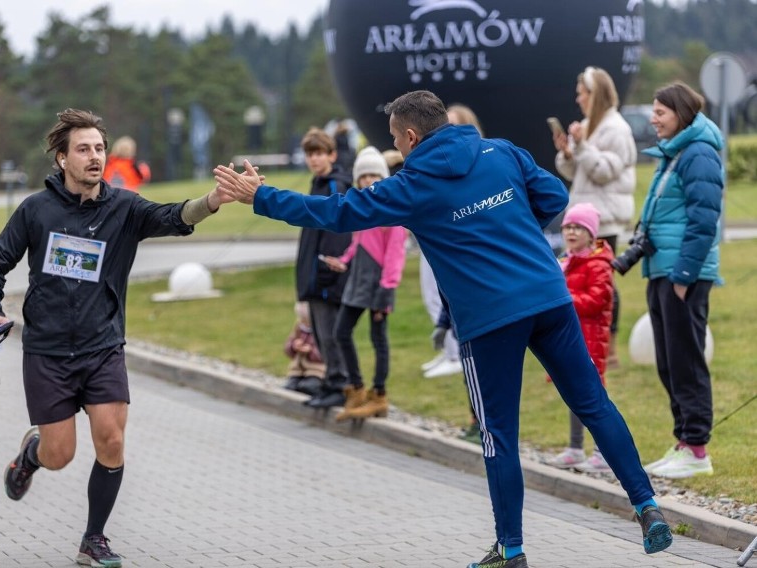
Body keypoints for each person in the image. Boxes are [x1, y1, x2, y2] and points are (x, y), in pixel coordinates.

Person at [214, 89, 672, 568]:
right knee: (594, 405)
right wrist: (508, 228)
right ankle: (646, 507)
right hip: (548, 298)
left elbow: (337, 212)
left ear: (411, 136)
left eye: (395, 138)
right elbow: (555, 196)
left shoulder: (411, 185)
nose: (396, 146)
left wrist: (261, 196)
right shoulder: (502, 151)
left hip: (489, 319)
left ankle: (512, 553)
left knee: (498, 436)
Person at [0, 109, 233, 568]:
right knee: (61, 455)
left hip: (102, 346)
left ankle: (94, 538)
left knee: (111, 441)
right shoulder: (36, 210)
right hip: (48, 352)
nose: (94, 157)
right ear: (61, 159)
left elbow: (172, 216)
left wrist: (212, 199)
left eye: (99, 148)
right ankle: (30, 456)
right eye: (83, 149)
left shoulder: (124, 209)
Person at [633, 81, 723, 480]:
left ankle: (698, 449)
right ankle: (684, 441)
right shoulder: (675, 153)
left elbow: (705, 221)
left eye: (660, 112)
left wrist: (684, 274)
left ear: (681, 114)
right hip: (662, 268)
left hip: (683, 273)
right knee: (668, 361)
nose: (653, 119)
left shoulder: (699, 153)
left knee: (686, 360)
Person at [553, 66, 637, 369]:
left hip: (605, 219)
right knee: (584, 281)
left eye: (582, 93)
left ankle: (610, 348)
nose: (578, 99)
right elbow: (578, 173)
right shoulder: (592, 124)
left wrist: (583, 146)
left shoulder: (616, 128)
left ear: (595, 94)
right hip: (587, 216)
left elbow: (603, 173)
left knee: (603, 284)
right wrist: (567, 153)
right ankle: (590, 341)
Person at [320, 146, 408, 421]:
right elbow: (359, 242)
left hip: (379, 285)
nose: (369, 181)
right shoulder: (362, 208)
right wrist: (344, 260)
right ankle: (356, 388)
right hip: (357, 280)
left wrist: (387, 290)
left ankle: (379, 394)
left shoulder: (392, 213)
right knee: (341, 331)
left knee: (378, 339)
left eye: (374, 175)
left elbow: (395, 254)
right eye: (364, 176)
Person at [547, 203, 614, 473]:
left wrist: (564, 299)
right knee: (573, 393)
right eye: (568, 227)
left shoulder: (598, 265)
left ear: (592, 234)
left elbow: (598, 300)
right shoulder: (565, 261)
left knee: (593, 396)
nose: (572, 232)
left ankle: (604, 452)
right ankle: (575, 448)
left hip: (591, 339)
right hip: (569, 338)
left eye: (579, 228)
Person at [420, 103, 483, 379]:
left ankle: (457, 353)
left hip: (456, 241)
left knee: (451, 295)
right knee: (433, 294)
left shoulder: (479, 159)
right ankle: (448, 350)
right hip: (435, 234)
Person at [293, 127, 353, 409]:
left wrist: (326, 273)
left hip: (328, 278)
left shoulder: (334, 185)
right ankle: (330, 381)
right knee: (320, 334)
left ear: (332, 154)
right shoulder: (317, 183)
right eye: (310, 154)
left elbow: (336, 233)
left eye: (319, 154)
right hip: (314, 276)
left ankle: (340, 384)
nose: (314, 160)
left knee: (330, 335)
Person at [282, 301, 326, 398]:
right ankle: (297, 381)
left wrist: (311, 350)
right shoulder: (299, 327)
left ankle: (320, 388)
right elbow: (287, 348)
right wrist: (294, 346)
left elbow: (325, 354)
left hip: (316, 370)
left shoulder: (321, 329)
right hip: (299, 369)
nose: (305, 324)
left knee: (309, 387)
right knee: (289, 387)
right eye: (302, 320)